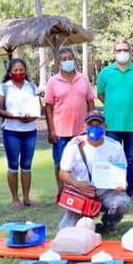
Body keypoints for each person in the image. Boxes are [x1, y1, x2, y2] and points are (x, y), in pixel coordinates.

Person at [57, 111, 131, 233]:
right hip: (81, 193)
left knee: (123, 202)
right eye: (91, 124)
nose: (95, 127)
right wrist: (77, 184)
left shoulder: (115, 146)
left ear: (105, 127)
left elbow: (121, 176)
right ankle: (85, 216)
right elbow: (63, 173)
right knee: (66, 230)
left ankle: (108, 224)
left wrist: (122, 185)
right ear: (84, 127)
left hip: (107, 192)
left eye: (99, 124)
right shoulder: (75, 145)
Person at [96, 40, 133, 200]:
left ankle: (132, 190)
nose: (122, 53)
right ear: (114, 53)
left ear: (130, 52)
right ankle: (114, 190)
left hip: (132, 123)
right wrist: (114, 107)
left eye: (125, 50)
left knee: (131, 159)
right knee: (112, 158)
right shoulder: (106, 72)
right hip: (111, 124)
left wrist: (131, 105)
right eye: (118, 50)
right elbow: (100, 94)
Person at [44, 47, 95, 197]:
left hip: (82, 131)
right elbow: (48, 107)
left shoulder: (83, 78)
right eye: (64, 59)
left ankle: (82, 190)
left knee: (84, 163)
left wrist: (91, 122)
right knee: (60, 164)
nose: (67, 61)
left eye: (70, 58)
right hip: (60, 131)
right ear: (59, 63)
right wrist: (51, 130)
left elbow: (90, 101)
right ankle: (62, 192)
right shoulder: (53, 82)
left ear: (74, 59)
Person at [0, 58, 40, 210]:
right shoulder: (4, 87)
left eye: (21, 69)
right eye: (15, 70)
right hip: (11, 131)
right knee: (13, 165)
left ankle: (27, 198)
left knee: (27, 165)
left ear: (25, 71)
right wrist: (15, 117)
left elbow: (37, 108)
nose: (19, 72)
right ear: (10, 72)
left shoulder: (31, 86)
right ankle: (15, 199)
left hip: (30, 131)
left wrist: (31, 117)